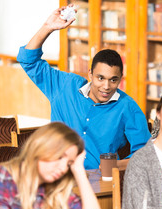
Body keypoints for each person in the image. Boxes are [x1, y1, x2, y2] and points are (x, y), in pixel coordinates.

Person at [17, 5, 151, 169]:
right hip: (55, 174)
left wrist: (115, 166)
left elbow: (145, 154)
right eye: (100, 78)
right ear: (90, 74)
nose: (106, 86)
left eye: (113, 80)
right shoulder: (65, 86)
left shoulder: (127, 106)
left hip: (96, 182)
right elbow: (28, 60)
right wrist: (48, 28)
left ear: (120, 79)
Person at [0, 122, 104, 209]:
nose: (63, 168)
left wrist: (78, 169)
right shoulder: (0, 176)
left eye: (69, 163)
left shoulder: (54, 188)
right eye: (60, 157)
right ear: (41, 147)